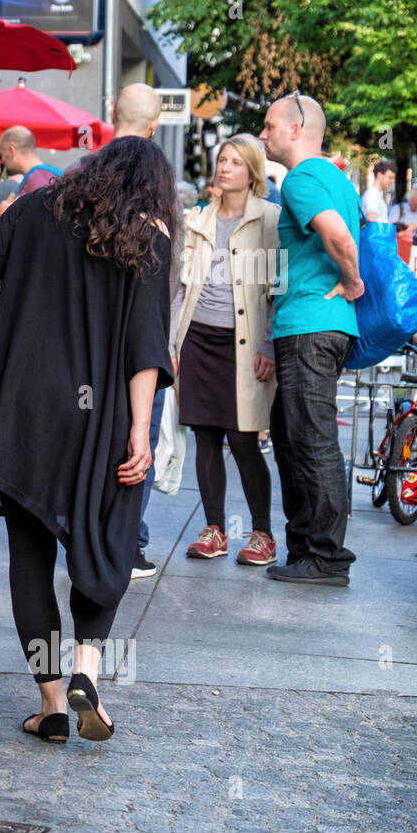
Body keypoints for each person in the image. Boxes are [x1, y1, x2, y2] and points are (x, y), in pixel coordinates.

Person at [0, 136, 178, 742]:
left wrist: (7, 326)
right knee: (106, 542)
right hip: (101, 415)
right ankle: (87, 669)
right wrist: (140, 430)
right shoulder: (148, 236)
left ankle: (52, 705)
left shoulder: (35, 207)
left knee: (29, 559)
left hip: (22, 405)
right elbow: (145, 346)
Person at [258, 92, 362, 585]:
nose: (263, 134)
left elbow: (338, 235)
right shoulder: (338, 178)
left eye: (269, 125)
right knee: (292, 434)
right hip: (323, 325)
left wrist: (353, 280)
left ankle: (325, 558)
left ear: (297, 130)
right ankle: (306, 549)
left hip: (310, 325)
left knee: (312, 439)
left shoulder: (301, 179)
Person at [171, 134, 281, 565]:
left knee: (243, 439)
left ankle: (263, 535)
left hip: (245, 345)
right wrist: (171, 344)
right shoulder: (197, 220)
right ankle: (214, 529)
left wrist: (269, 344)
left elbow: (279, 290)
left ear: (252, 172)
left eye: (235, 161)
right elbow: (181, 289)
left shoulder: (270, 220)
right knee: (204, 435)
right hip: (197, 339)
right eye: (222, 159)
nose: (225, 167)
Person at [112, 84, 168, 579]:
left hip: (81, 351)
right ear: (154, 127)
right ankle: (125, 544)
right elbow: (149, 322)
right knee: (137, 446)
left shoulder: (73, 189)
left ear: (112, 115)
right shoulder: (156, 207)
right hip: (136, 352)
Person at [0, 126, 61, 212]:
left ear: (12, 151)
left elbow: (35, 222)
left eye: (2, 154)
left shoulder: (36, 179)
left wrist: (5, 214)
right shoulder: (50, 173)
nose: (2, 161)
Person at [360, 158, 396, 223]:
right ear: (379, 175)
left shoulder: (375, 194)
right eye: (390, 177)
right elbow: (371, 219)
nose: (393, 181)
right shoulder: (372, 194)